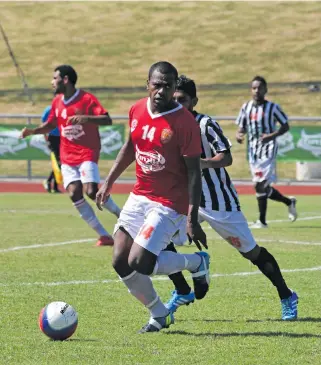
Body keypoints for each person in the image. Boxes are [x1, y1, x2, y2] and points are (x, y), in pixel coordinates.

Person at [164, 75, 298, 321]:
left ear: (194, 101)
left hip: (219, 202)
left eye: (182, 99)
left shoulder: (205, 124)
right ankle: (182, 289)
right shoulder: (167, 126)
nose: (177, 103)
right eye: (173, 99)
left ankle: (286, 295)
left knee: (251, 253)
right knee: (156, 238)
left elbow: (226, 157)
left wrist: (199, 163)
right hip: (185, 200)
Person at [96, 62, 210, 333]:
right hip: (140, 195)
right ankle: (159, 314)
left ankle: (196, 261)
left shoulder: (184, 123)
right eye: (157, 84)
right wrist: (109, 181)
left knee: (141, 263)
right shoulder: (136, 109)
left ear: (173, 88)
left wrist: (192, 217)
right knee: (119, 260)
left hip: (169, 202)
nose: (161, 90)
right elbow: (130, 146)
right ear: (147, 84)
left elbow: (194, 173)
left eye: (168, 85)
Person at [20, 65, 121, 247]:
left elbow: (108, 119)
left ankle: (121, 216)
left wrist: (87, 118)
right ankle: (104, 235)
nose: (52, 82)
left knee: (91, 191)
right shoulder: (57, 101)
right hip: (67, 156)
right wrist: (32, 131)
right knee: (74, 193)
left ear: (65, 80)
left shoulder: (87, 99)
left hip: (87, 152)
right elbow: (51, 124)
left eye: (54, 78)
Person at [235, 76, 297, 229]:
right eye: (254, 88)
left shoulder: (273, 108)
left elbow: (285, 126)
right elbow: (242, 126)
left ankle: (262, 222)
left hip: (268, 150)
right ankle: (289, 202)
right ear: (251, 90)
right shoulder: (246, 107)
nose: (257, 91)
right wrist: (239, 134)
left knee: (259, 184)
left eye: (260, 88)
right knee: (261, 187)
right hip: (253, 152)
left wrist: (271, 136)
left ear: (265, 90)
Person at [41, 105, 62, 194]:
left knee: (61, 163)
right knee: (58, 162)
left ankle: (54, 186)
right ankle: (49, 182)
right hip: (52, 137)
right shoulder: (49, 109)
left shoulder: (65, 107)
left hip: (63, 137)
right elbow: (43, 123)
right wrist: (45, 136)